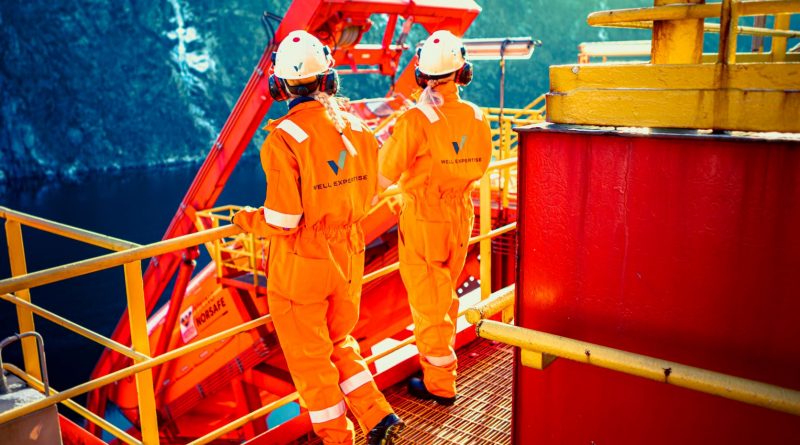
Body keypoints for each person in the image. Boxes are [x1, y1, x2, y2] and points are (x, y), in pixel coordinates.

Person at [232, 30, 404, 445]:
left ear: (279, 85)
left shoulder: (284, 139)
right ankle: (377, 416)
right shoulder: (357, 128)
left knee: (311, 361)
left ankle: (337, 438)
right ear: (329, 79)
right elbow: (370, 189)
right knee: (339, 340)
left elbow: (284, 219)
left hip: (302, 264)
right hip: (347, 252)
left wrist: (245, 220)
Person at [377, 30, 492, 405]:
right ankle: (441, 366)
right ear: (463, 73)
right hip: (462, 213)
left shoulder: (416, 119)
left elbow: (383, 175)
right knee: (443, 293)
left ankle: (440, 384)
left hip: (426, 218)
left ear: (422, 75)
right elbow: (482, 163)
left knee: (428, 303)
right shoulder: (477, 116)